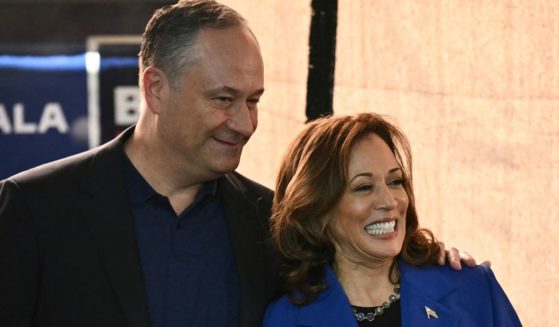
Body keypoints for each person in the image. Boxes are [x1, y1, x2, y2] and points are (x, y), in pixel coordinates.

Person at [0, 1, 477, 327]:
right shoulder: (34, 209)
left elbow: (366, 267)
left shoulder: (273, 221)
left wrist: (429, 261)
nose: (245, 123)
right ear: (154, 89)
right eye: (223, 99)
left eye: (254, 100)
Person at [263, 113, 521, 326]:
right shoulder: (285, 318)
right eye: (364, 187)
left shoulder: (473, 289)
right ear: (317, 211)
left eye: (395, 181)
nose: (390, 201)